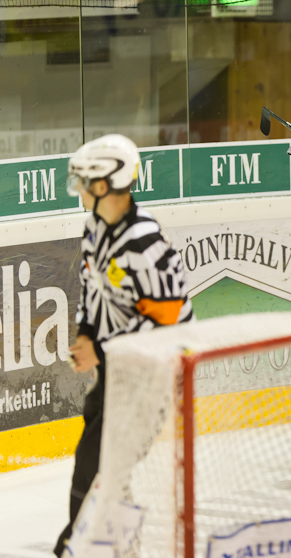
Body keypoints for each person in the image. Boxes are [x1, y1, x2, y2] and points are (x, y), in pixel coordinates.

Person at [54, 134, 194, 557]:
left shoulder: (144, 242)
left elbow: (171, 322)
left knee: (97, 465)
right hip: (117, 371)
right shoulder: (94, 228)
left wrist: (102, 349)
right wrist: (86, 334)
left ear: (103, 185)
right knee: (103, 466)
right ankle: (117, 547)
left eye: (82, 182)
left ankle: (79, 545)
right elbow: (92, 290)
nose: (77, 190)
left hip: (152, 376)